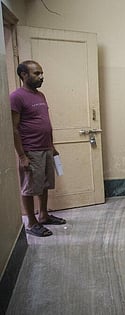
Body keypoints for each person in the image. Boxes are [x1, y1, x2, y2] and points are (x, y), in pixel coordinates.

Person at [11, 60, 66, 237]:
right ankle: (31, 222)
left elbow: (44, 123)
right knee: (28, 188)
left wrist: (52, 146)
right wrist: (21, 156)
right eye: (37, 73)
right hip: (30, 150)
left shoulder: (40, 95)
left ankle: (43, 215)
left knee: (44, 185)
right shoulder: (16, 97)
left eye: (41, 73)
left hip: (46, 148)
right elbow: (13, 128)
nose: (41, 77)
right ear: (23, 75)